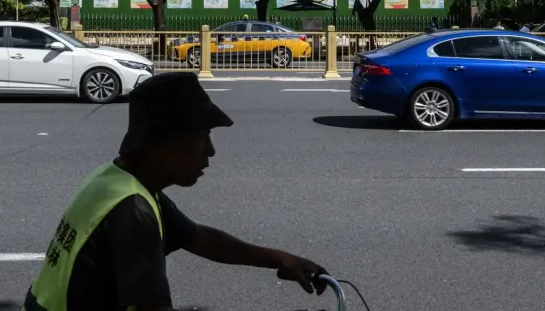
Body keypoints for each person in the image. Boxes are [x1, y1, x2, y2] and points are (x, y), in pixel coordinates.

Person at [22, 71, 327, 311]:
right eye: (202, 137)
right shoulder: (132, 212)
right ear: (162, 143)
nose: (211, 151)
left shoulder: (117, 180)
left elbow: (197, 237)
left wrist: (280, 259)